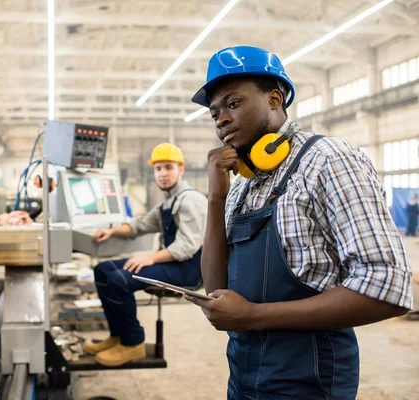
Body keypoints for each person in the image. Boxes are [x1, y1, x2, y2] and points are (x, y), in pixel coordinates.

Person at [184, 46, 413, 399]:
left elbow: (387, 287)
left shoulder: (329, 161)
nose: (221, 119)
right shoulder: (242, 184)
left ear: (275, 99)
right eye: (214, 113)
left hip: (310, 383)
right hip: (243, 378)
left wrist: (252, 317)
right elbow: (216, 289)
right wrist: (216, 198)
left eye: (233, 103)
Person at [85, 143, 208, 367]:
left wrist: (151, 257)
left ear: (182, 169)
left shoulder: (191, 200)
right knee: (101, 270)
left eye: (168, 167)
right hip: (174, 263)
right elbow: (139, 226)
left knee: (119, 280)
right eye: (158, 168)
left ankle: (133, 343)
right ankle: (118, 336)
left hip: (190, 270)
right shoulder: (168, 203)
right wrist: (112, 230)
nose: (162, 174)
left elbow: (187, 246)